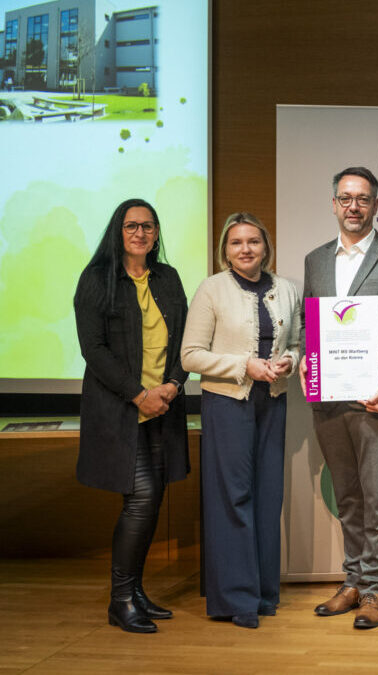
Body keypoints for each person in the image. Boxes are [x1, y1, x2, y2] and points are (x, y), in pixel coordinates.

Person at [301, 167, 378, 629]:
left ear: (376, 206)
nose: (354, 206)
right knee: (347, 496)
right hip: (329, 400)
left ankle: (375, 589)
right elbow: (309, 327)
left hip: (376, 401)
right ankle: (352, 581)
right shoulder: (315, 261)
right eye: (346, 198)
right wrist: (307, 366)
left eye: (363, 199)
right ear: (334, 204)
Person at [73, 198, 189, 634]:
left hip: (164, 405)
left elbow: (186, 338)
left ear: (157, 233)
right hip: (121, 410)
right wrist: (139, 394)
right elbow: (94, 350)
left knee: (152, 498)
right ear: (117, 231)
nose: (140, 233)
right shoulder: (97, 279)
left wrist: (174, 385)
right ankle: (120, 600)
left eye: (148, 226)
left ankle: (136, 591)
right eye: (131, 226)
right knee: (140, 499)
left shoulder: (168, 277)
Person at [180, 212, 301, 629]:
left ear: (266, 246)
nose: (245, 249)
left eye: (253, 241)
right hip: (227, 403)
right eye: (236, 242)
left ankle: (264, 594)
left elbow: (299, 342)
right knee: (232, 497)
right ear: (224, 249)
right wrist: (242, 365)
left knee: (269, 496)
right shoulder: (211, 289)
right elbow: (190, 355)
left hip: (273, 401)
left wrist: (289, 360)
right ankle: (235, 599)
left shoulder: (286, 288)